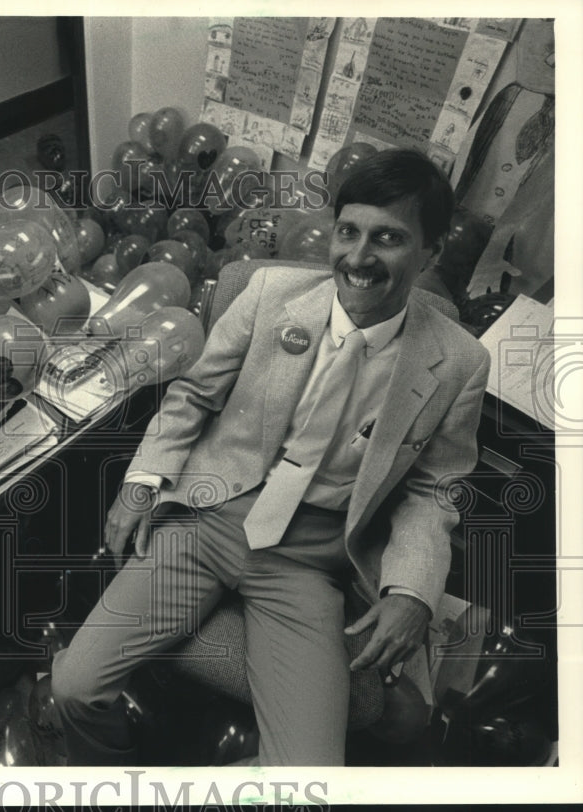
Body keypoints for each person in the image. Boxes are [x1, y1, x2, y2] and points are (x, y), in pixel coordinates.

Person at [51, 148, 490, 766]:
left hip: (310, 562)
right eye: (348, 232)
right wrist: (143, 480)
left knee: (311, 775)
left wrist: (413, 592)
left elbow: (434, 491)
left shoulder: (460, 362)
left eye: (388, 239)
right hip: (209, 518)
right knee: (73, 688)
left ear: (431, 253)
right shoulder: (269, 294)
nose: (358, 258)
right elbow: (194, 394)